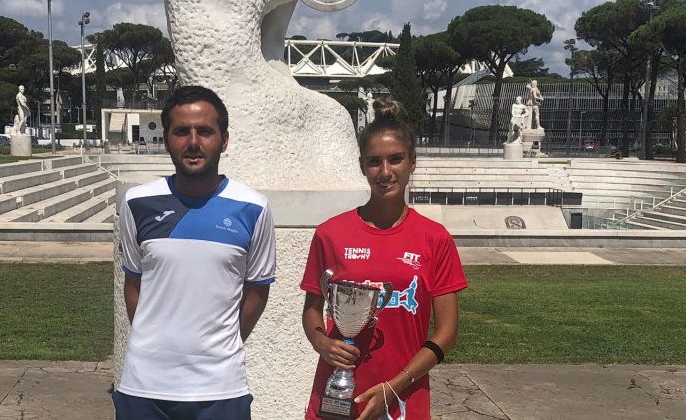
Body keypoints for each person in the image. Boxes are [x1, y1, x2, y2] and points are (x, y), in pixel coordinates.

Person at [113, 85, 276, 420]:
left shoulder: (254, 208)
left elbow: (258, 291)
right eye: (181, 131)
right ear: (168, 138)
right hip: (144, 387)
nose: (193, 142)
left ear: (224, 140)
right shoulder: (137, 202)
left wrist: (221, 346)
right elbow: (134, 284)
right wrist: (153, 341)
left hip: (221, 388)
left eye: (205, 131)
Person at [300, 97, 468, 420]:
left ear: (413, 162)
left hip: (404, 396)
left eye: (396, 159)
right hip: (336, 396)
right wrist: (322, 342)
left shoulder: (435, 239)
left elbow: (447, 333)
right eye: (374, 161)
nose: (385, 171)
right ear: (362, 165)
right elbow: (312, 311)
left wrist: (394, 386)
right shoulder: (329, 234)